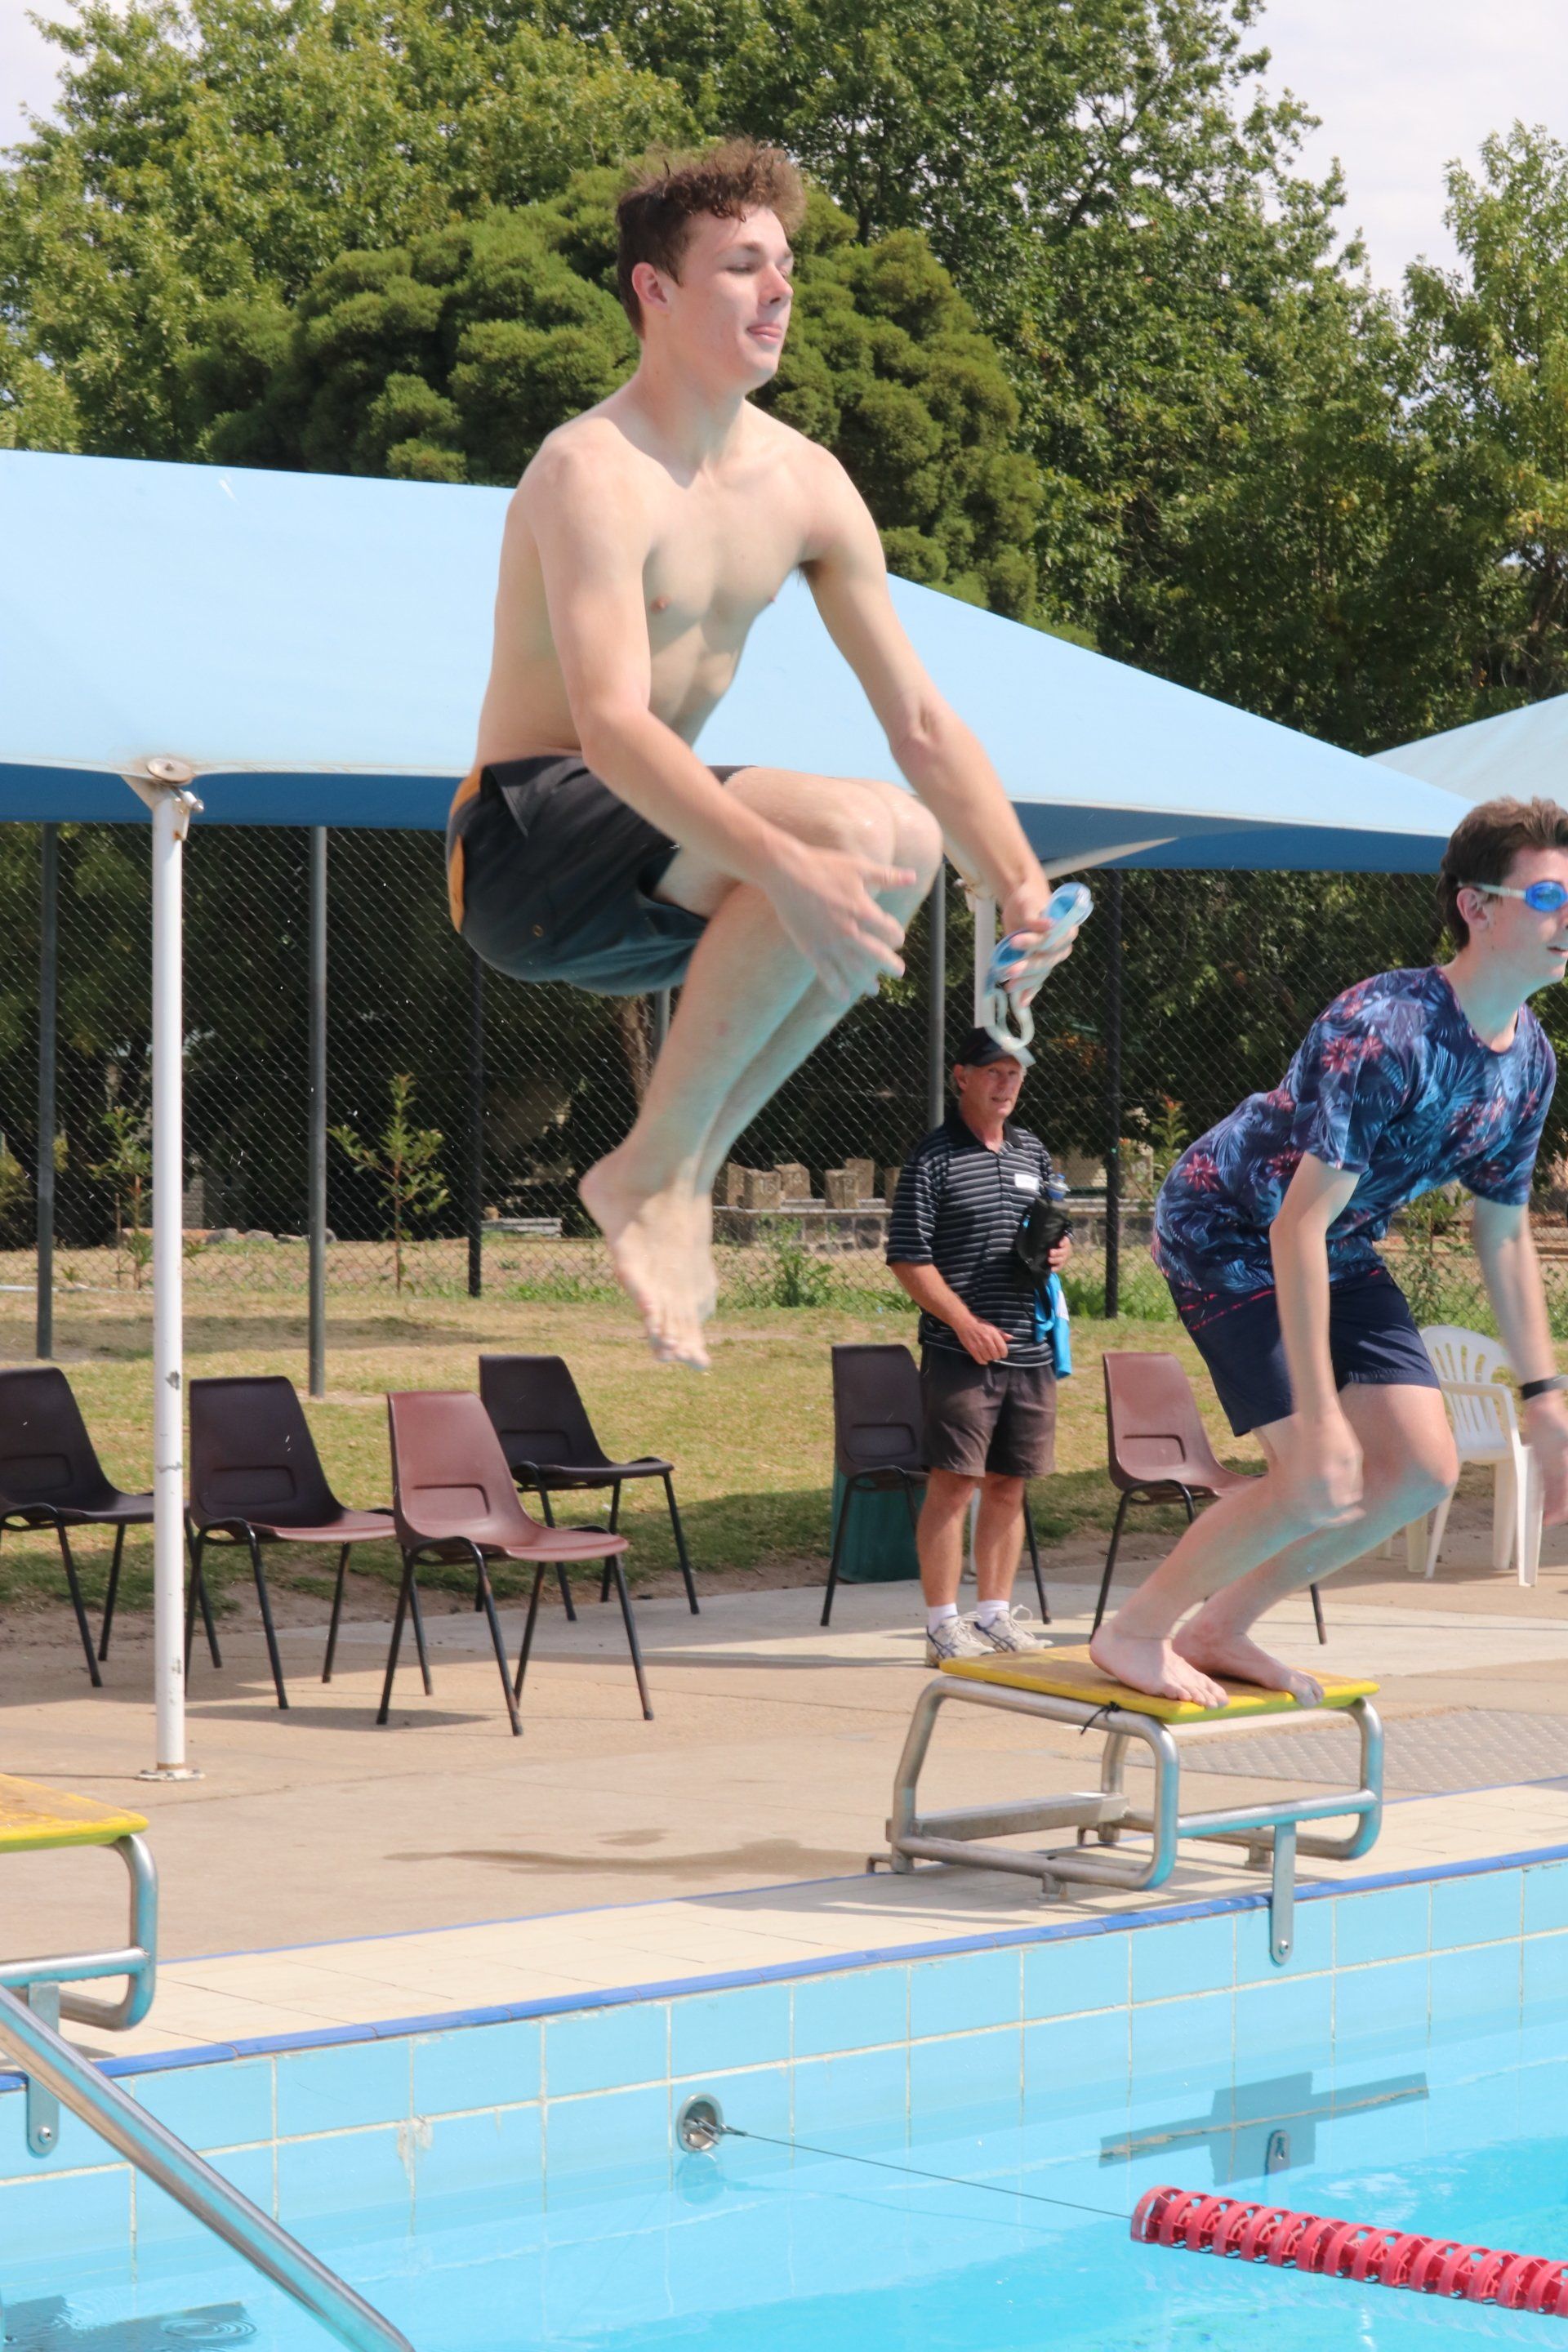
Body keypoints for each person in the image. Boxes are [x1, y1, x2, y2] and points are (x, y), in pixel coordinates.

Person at [448, 139, 1077, 1370]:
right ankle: (655, 1175)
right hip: (525, 846)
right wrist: (785, 866)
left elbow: (921, 723)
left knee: (897, 846)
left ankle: (666, 1174)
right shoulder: (591, 470)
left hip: (650, 887)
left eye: (784, 265)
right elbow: (615, 728)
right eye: (742, 266)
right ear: (657, 291)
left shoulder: (807, 485)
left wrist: (1017, 881)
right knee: (854, 839)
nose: (779, 290)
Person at [1092, 795, 1568, 1708]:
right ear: (1475, 906)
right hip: (1228, 1232)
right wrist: (1317, 1415)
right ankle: (1134, 1631)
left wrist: (1543, 1398)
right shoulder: (1385, 1028)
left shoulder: (1530, 1062)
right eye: (1546, 895)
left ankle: (1220, 1628)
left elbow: (1501, 1231)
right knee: (1316, 1473)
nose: (1566, 918)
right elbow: (1293, 1224)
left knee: (1419, 1475)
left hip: (1338, 1246)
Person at [887, 1029, 1074, 1664]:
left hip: (1029, 1348)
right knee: (955, 1483)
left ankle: (994, 1615)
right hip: (960, 1351)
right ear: (961, 1077)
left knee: (1009, 1485)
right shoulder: (933, 1158)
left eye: (1015, 1073)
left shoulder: (1033, 1152)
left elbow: (1044, 1233)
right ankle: (943, 1626)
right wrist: (964, 1323)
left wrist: (1057, 1252)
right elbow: (908, 1258)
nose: (1006, 1085)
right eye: (993, 1072)